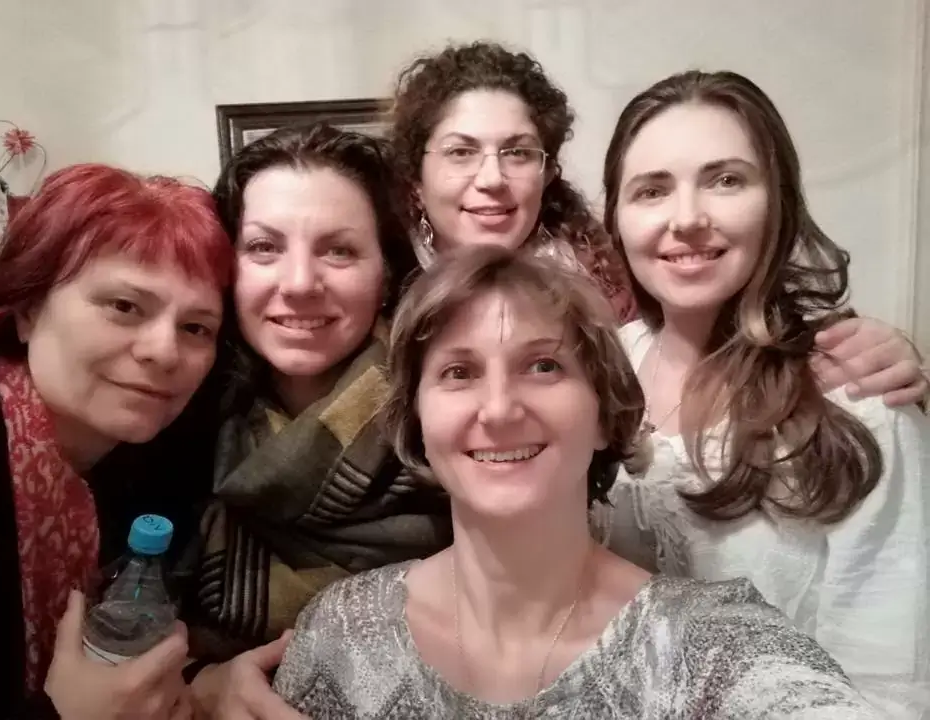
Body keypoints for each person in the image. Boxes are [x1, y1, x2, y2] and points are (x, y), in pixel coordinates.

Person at [272, 245, 881, 719]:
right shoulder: (343, 636)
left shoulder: (710, 647)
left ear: (603, 414)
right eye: (459, 372)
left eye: (543, 366)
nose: (499, 408)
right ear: (417, 422)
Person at [596, 69, 929, 717]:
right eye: (652, 190)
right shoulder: (600, 368)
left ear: (777, 201)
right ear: (617, 217)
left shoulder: (855, 398)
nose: (687, 219)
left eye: (726, 180)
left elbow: (890, 684)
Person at [388, 40, 929, 408]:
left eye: (518, 152)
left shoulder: (614, 281)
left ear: (548, 172)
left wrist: (889, 360)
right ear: (416, 177)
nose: (492, 179)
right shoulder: (376, 288)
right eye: (460, 152)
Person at [186, 124, 451, 716]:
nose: (300, 283)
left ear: (386, 275)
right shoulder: (180, 419)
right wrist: (202, 683)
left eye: (339, 250)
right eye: (264, 248)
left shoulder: (449, 419)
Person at [0, 163, 232, 718]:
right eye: (124, 307)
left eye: (196, 328)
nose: (164, 352)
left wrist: (201, 681)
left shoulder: (145, 466)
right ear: (28, 309)